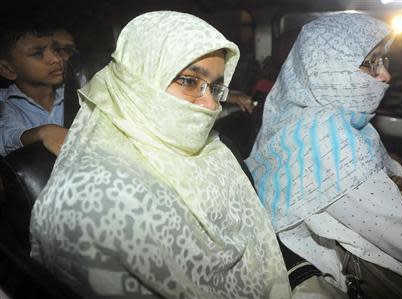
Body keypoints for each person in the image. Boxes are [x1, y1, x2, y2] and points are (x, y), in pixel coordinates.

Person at [30, 11, 291, 298]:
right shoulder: (90, 202)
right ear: (137, 77)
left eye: (216, 87)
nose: (208, 104)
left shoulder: (215, 149)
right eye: (190, 81)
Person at [246, 13, 402, 298]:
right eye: (370, 63)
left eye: (384, 60)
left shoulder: (302, 119)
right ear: (329, 67)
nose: (386, 76)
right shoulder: (326, 136)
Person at [0, 19, 67, 156]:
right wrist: (42, 133)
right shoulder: (6, 102)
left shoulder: (77, 92)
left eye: (55, 49)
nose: (56, 59)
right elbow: (6, 134)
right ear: (8, 69)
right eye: (37, 53)